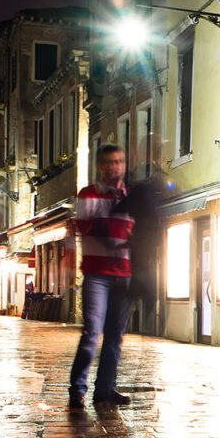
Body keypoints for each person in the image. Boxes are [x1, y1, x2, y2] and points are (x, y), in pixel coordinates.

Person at [64, 144, 135, 409]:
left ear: (123, 165)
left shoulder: (130, 195)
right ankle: (77, 388)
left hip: (125, 274)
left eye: (118, 162)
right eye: (108, 162)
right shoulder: (88, 194)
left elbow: (134, 233)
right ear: (100, 166)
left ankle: (105, 389)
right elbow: (86, 226)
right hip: (97, 275)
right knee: (92, 332)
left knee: (115, 336)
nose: (113, 167)